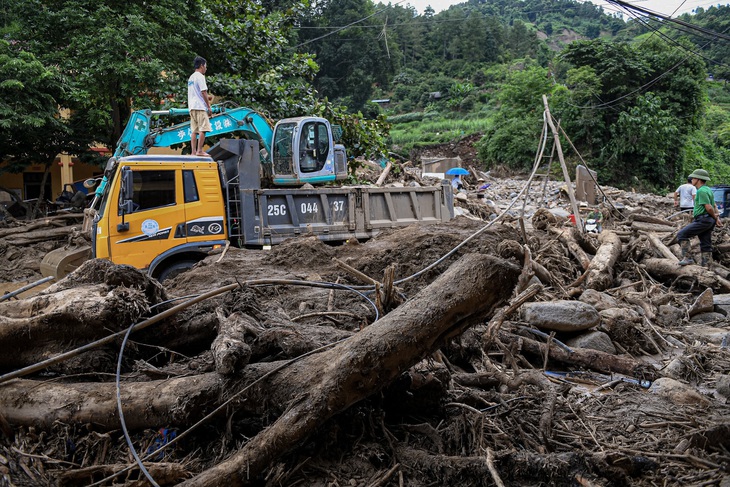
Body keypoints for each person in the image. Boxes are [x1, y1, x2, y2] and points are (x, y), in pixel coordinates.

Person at [677, 169, 723, 267]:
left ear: (698, 179)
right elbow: (714, 205)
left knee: (682, 234)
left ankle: (688, 258)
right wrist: (717, 219)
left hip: (704, 219)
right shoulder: (708, 190)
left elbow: (709, 207)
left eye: (693, 178)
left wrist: (715, 217)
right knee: (705, 243)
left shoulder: (701, 191)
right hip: (708, 220)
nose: (691, 179)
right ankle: (706, 266)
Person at [187, 56, 213, 156]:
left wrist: (207, 97)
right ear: (201, 66)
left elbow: (196, 92)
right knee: (204, 128)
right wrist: (208, 106)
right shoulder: (200, 77)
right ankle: (199, 151)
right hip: (199, 107)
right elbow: (203, 92)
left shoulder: (191, 77)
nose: (206, 69)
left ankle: (193, 152)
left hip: (192, 107)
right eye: (205, 66)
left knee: (194, 130)